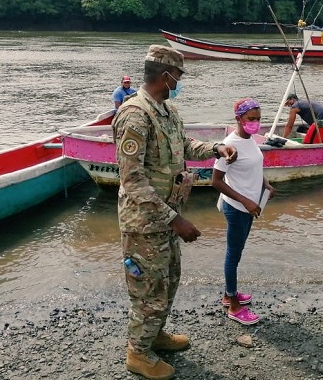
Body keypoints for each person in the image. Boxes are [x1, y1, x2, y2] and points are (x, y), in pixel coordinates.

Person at [112, 45, 238, 380]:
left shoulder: (167, 110)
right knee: (148, 289)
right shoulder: (134, 114)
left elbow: (184, 144)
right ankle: (137, 354)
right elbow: (133, 180)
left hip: (166, 221)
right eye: (178, 76)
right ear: (166, 75)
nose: (179, 81)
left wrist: (215, 148)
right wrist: (176, 219)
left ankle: (154, 336)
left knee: (168, 281)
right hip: (145, 223)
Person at [212, 98, 275, 326]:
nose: (255, 123)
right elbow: (216, 181)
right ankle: (233, 305)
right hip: (237, 207)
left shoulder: (251, 140)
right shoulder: (230, 144)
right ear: (239, 119)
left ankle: (231, 293)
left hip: (251, 204)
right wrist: (246, 201)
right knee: (233, 254)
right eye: (251, 119)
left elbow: (254, 165)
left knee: (237, 252)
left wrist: (264, 184)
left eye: (258, 119)